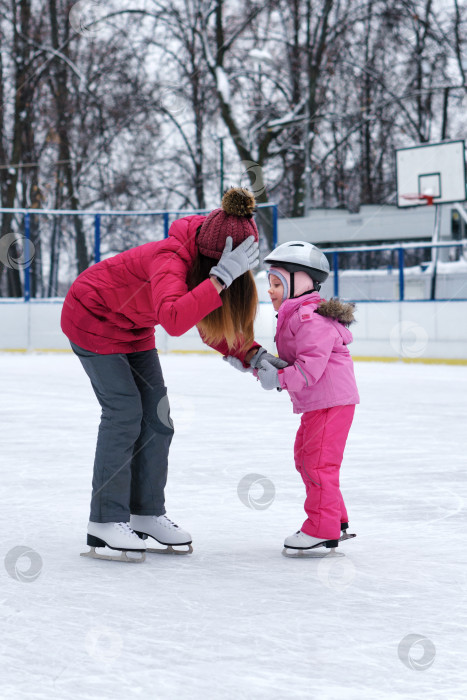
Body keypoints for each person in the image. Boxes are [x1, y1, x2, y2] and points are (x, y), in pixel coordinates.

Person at [61, 187, 283, 562]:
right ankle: (104, 521)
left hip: (132, 328)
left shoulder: (210, 261)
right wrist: (218, 280)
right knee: (124, 413)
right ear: (212, 260)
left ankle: (146, 513)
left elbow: (208, 320)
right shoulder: (171, 257)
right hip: (92, 315)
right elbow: (176, 319)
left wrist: (255, 355)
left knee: (158, 418)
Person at [226, 240, 359, 556]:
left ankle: (321, 529)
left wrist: (275, 378)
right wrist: (256, 365)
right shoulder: (298, 315)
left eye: (276, 283)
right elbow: (294, 364)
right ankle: (334, 518)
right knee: (307, 458)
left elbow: (308, 370)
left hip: (330, 402)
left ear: (300, 281)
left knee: (317, 463)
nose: (269, 290)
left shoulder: (310, 318)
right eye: (269, 283)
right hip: (322, 402)